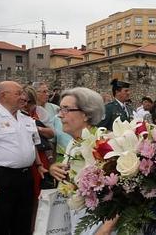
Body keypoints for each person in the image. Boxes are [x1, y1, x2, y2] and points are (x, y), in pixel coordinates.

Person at [0, 81, 46, 235]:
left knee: (23, 220)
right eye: (18, 93)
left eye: (23, 93)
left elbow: (32, 144)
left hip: (26, 176)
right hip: (2, 177)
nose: (23, 97)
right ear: (3, 95)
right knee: (0, 222)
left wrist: (39, 165)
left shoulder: (25, 117)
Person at [48, 87, 106, 235]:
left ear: (86, 114)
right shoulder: (72, 143)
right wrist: (54, 168)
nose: (60, 116)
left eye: (66, 109)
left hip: (99, 225)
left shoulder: (103, 143)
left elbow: (123, 195)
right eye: (60, 110)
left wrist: (105, 230)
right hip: (79, 221)